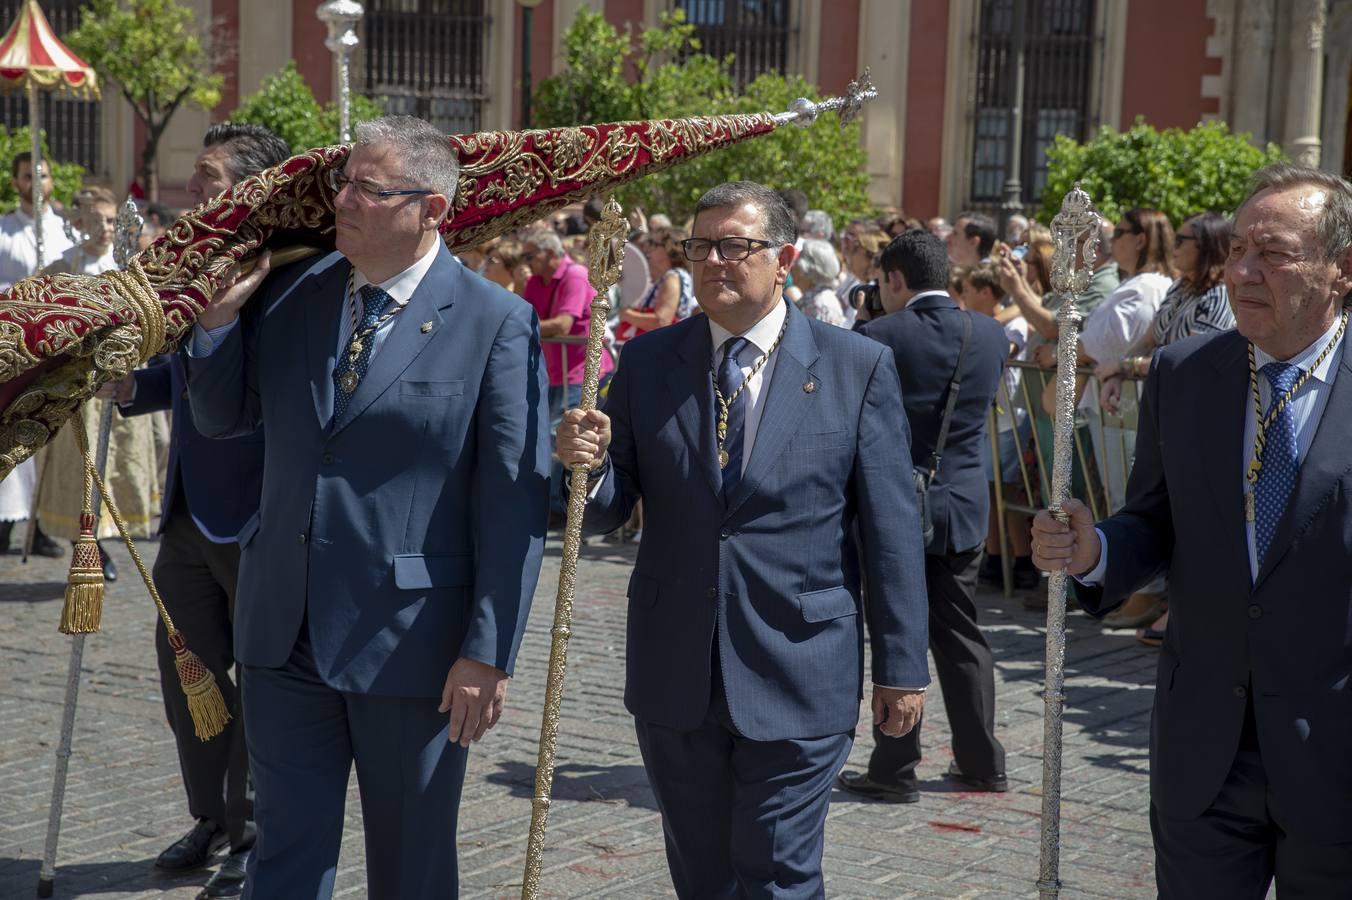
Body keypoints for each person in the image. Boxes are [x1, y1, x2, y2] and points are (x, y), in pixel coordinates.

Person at [183, 115, 550, 899]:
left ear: (433, 211)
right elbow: (223, 419)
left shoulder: (494, 322)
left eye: (368, 189)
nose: (340, 199)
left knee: (411, 862)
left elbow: (511, 503)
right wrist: (214, 325)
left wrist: (488, 651)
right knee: (284, 854)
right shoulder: (296, 293)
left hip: (413, 641)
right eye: (344, 181)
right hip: (283, 629)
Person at [555, 181, 929, 897]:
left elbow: (890, 529)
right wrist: (586, 467)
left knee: (777, 872)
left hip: (800, 662)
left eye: (737, 245)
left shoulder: (855, 367)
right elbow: (605, 511)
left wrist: (902, 665)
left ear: (784, 257)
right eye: (702, 246)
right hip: (676, 669)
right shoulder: (649, 363)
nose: (715, 261)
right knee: (701, 876)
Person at [1033, 162, 1352, 898]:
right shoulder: (1186, 374)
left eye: (1272, 252)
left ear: (1340, 270)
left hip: (1334, 752)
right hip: (1205, 751)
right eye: (1238, 247)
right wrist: (1095, 549)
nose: (1241, 269)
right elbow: (1154, 519)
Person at [96, 122, 291, 899]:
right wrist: (127, 386)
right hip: (186, 516)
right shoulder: (193, 269)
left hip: (258, 516)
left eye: (208, 180)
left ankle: (256, 829)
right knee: (189, 680)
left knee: (263, 691)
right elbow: (182, 373)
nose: (190, 195)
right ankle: (208, 815)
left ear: (249, 190)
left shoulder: (288, 281)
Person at [838, 228, 1010, 804]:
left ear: (893, 278)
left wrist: (863, 321)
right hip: (962, 503)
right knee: (961, 634)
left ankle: (895, 767)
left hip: (894, 504)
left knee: (896, 630)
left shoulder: (877, 335)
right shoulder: (990, 335)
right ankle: (983, 759)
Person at [37, 188, 159, 584]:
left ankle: (107, 534)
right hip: (78, 388)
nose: (105, 229)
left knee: (116, 465)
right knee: (82, 469)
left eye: (111, 221)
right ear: (79, 224)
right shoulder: (65, 266)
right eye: (97, 221)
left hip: (117, 379)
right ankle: (86, 543)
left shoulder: (130, 266)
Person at [0, 151, 74, 557]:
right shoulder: (3, 231)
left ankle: (45, 523)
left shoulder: (66, 231)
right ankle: (7, 521)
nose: (37, 183)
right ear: (16, 182)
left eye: (43, 175)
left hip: (59, 349)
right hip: (13, 348)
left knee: (52, 433)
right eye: (29, 176)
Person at [520, 227, 616, 524]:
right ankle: (553, 504)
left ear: (549, 254)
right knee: (545, 435)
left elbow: (560, 325)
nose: (526, 262)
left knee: (566, 434)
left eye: (530, 255)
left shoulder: (574, 275)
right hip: (551, 370)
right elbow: (524, 314)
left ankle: (561, 507)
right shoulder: (535, 280)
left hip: (581, 371)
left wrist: (518, 323)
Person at [955, 263, 1037, 590]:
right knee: (990, 487)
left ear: (987, 293)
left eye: (970, 291)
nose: (964, 298)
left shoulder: (1012, 322)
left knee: (1003, 488)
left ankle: (1020, 559)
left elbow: (1008, 350)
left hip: (1009, 418)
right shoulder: (983, 321)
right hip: (989, 418)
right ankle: (996, 555)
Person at [616, 226, 695, 339]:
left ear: (669, 249)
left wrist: (626, 314)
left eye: (654, 244)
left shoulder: (672, 278)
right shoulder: (675, 275)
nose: (650, 249)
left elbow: (661, 322)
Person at [790, 237, 847, 326]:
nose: (793, 266)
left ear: (808, 270)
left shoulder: (822, 306)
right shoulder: (813, 300)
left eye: (797, 260)